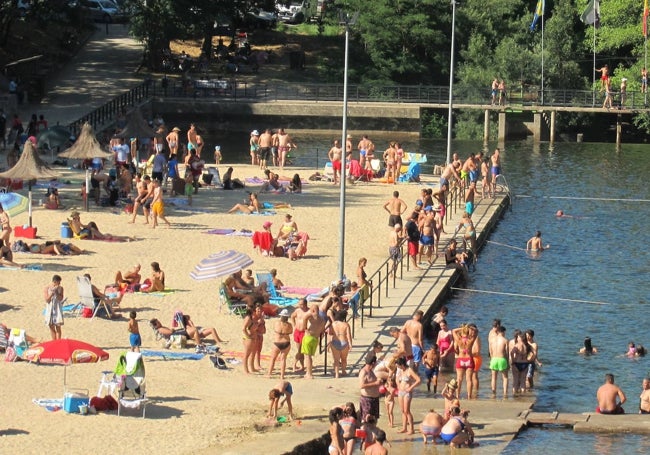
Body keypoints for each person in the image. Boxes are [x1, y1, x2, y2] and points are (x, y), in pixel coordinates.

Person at [395, 356, 421, 434]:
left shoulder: (409, 370)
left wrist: (411, 387)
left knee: (407, 411)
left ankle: (412, 428)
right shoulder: (400, 370)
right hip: (400, 392)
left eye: (398, 365)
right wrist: (398, 385)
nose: (398, 367)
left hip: (407, 392)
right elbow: (397, 379)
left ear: (402, 364)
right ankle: (404, 428)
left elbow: (418, 380)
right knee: (403, 410)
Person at [452, 324, 478, 400]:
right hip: (469, 359)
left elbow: (453, 331)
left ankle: (457, 395)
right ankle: (469, 396)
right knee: (469, 379)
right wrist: (470, 327)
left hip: (461, 359)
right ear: (468, 332)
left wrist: (461, 328)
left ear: (462, 332)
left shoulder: (459, 340)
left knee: (459, 379)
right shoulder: (470, 340)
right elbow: (476, 331)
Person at [301, 303, 326, 379]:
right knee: (310, 357)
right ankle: (308, 372)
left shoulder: (310, 316)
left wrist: (305, 328)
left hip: (309, 337)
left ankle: (309, 374)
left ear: (313, 310)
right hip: (316, 338)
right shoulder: (322, 320)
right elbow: (322, 331)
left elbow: (304, 321)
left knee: (307, 357)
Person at [267, 309, 293, 379]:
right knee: (283, 359)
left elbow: (275, 329)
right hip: (286, 343)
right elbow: (291, 332)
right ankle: (282, 376)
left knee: (273, 358)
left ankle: (269, 374)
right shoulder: (289, 325)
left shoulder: (277, 323)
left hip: (277, 343)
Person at [359, 354, 382, 423]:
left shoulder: (371, 371)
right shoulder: (364, 372)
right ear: (373, 363)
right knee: (366, 419)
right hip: (367, 399)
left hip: (375, 399)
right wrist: (375, 383)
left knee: (374, 420)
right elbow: (361, 385)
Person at [330, 310, 352, 379]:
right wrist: (350, 344)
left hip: (335, 341)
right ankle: (343, 371)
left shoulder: (333, 324)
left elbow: (330, 333)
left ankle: (337, 374)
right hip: (344, 342)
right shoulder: (346, 325)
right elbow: (349, 336)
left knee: (336, 360)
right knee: (344, 359)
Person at [242, 304, 263, 374]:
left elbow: (253, 327)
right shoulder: (248, 318)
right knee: (246, 355)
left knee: (252, 353)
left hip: (253, 337)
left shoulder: (251, 317)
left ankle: (252, 368)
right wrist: (248, 336)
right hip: (249, 338)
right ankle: (246, 370)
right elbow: (243, 329)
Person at [489, 325, 509, 398]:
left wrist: (492, 359)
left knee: (494, 377)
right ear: (503, 332)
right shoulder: (505, 340)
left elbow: (490, 351)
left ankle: (493, 392)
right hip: (502, 359)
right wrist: (508, 362)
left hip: (493, 359)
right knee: (505, 377)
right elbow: (506, 352)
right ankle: (505, 393)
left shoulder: (492, 340)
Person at [290, 298, 309, 373]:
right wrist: (294, 324)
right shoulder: (298, 310)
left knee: (301, 350)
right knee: (299, 350)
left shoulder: (309, 311)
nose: (300, 306)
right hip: (298, 331)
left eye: (301, 304)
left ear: (305, 304)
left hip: (304, 332)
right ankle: (302, 365)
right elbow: (292, 316)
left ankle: (294, 364)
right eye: (299, 304)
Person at [44, 275, 64, 340]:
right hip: (50, 310)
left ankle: (58, 342)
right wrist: (51, 294)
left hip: (57, 309)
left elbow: (60, 298)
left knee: (58, 327)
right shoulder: (47, 288)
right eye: (58, 282)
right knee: (51, 327)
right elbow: (47, 300)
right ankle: (54, 341)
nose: (59, 284)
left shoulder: (60, 288)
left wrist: (57, 293)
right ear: (55, 282)